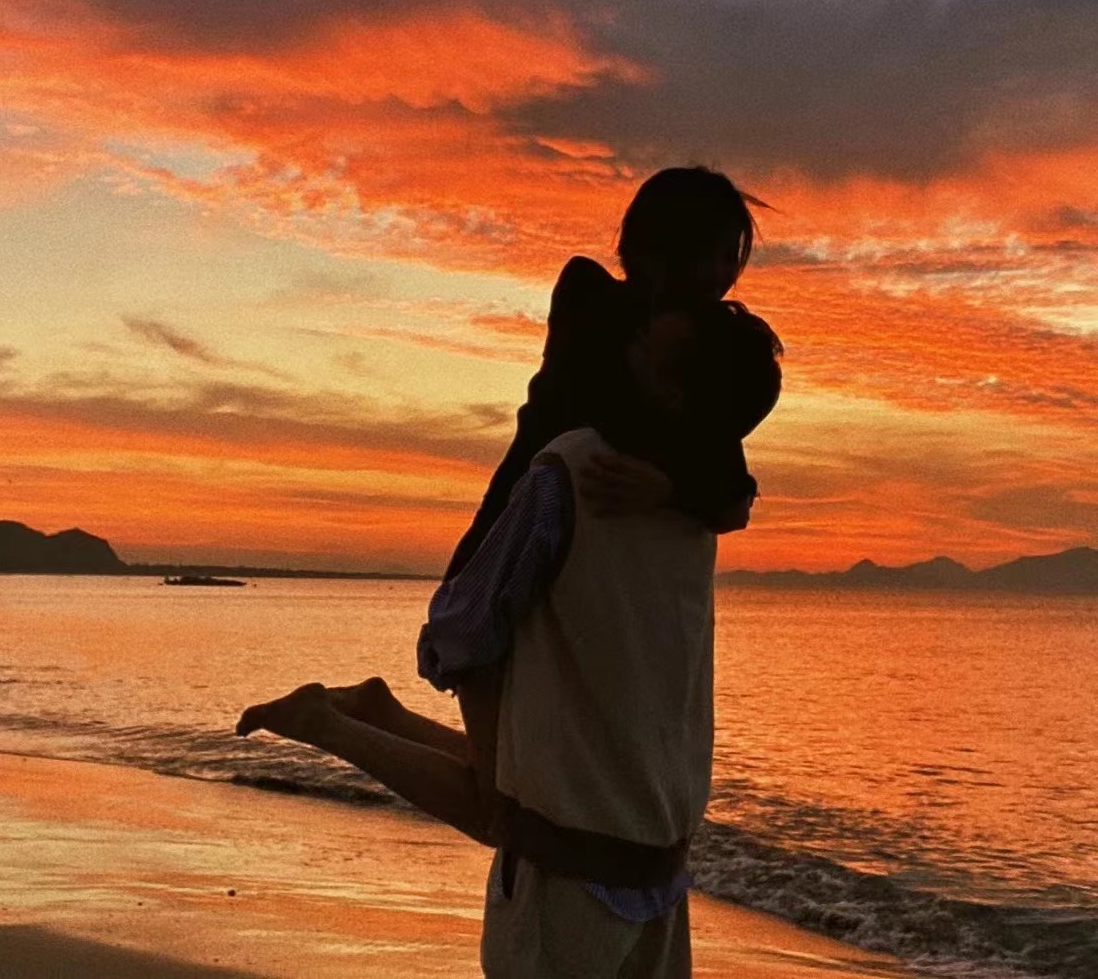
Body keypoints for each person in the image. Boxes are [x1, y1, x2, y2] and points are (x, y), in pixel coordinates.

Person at [237, 299, 784, 977]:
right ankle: (333, 724)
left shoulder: (695, 498)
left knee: (498, 794)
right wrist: (476, 688)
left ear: (678, 396)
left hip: (657, 873)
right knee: (498, 803)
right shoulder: (583, 471)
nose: (635, 336)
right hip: (569, 873)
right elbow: (461, 626)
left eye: (652, 343)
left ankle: (363, 717)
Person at [446, 165, 767, 581]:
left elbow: (734, 503)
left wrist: (670, 488)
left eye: (731, 257)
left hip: (616, 586)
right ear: (661, 246)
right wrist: (682, 466)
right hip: (514, 546)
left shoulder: (707, 352)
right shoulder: (589, 299)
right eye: (710, 254)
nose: (723, 274)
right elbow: (596, 406)